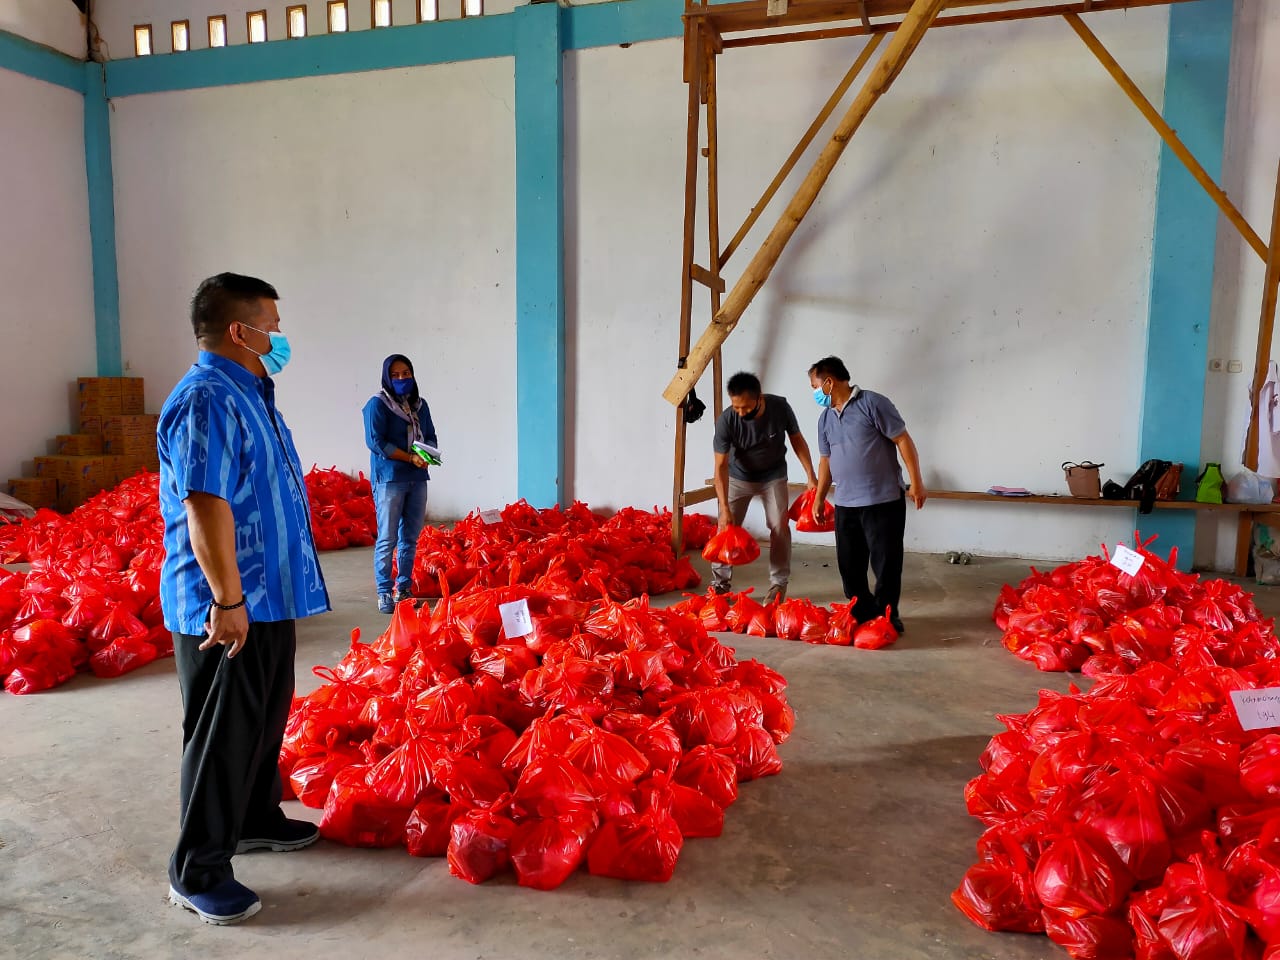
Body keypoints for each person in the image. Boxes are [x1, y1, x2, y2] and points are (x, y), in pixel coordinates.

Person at [157, 273, 331, 925]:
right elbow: (205, 504)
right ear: (241, 331)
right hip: (227, 603)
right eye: (274, 325)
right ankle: (196, 869)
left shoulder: (251, 391)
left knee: (264, 719)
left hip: (269, 593)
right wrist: (228, 599)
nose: (280, 336)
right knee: (222, 734)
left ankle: (256, 817)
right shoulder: (205, 398)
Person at [809, 356, 926, 633]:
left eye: (814, 385)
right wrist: (819, 497)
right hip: (846, 504)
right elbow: (825, 461)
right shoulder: (825, 418)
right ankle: (862, 613)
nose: (814, 392)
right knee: (849, 565)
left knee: (886, 564)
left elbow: (902, 440)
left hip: (883, 500)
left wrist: (916, 482)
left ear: (829, 382)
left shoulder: (873, 403)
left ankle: (887, 616)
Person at [711, 371, 818, 603]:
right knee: (725, 528)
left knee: (780, 526)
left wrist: (811, 474)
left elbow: (797, 440)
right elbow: (719, 467)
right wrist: (724, 508)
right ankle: (720, 585)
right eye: (736, 407)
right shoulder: (727, 419)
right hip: (739, 478)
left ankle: (778, 584)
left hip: (773, 475)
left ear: (760, 398)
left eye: (745, 408)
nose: (740, 412)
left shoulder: (780, 407)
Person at [362, 355, 437, 614]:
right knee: (387, 537)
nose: (403, 379)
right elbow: (376, 442)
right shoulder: (377, 405)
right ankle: (384, 591)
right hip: (390, 478)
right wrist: (409, 458)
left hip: (417, 479)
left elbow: (430, 435)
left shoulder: (419, 405)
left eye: (407, 373)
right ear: (387, 377)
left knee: (410, 538)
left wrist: (429, 456)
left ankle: (403, 588)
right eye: (396, 375)